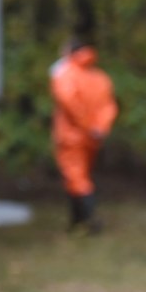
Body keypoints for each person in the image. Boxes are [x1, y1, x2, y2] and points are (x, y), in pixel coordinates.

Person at [49, 37, 118, 234]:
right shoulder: (100, 77)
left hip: (71, 137)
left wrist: (86, 125)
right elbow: (109, 107)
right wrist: (99, 128)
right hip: (93, 137)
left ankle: (89, 220)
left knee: (76, 178)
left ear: (70, 52)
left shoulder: (66, 74)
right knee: (79, 176)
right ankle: (76, 221)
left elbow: (68, 101)